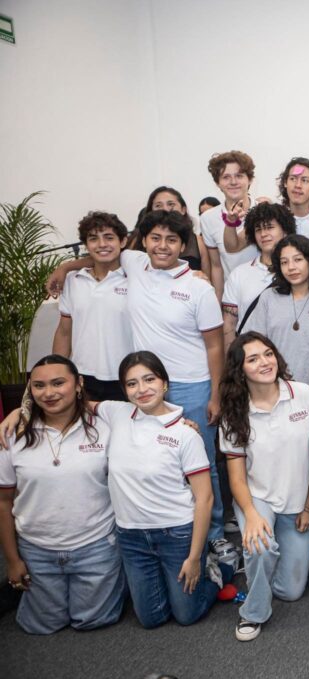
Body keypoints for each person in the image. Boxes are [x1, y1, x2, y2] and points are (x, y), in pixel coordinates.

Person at [47, 210, 231, 554]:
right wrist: (65, 267)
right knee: (154, 460)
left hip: (192, 385)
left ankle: (214, 533)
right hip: (145, 386)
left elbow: (215, 345)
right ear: (143, 241)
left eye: (172, 240)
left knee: (201, 463)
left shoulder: (198, 287)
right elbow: (100, 255)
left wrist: (216, 395)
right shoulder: (134, 263)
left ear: (183, 245)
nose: (163, 246)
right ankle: (166, 530)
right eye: (155, 238)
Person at [97, 352, 232, 628]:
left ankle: (220, 568)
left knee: (186, 615)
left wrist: (193, 558)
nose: (142, 389)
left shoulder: (185, 433)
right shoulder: (116, 413)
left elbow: (205, 499)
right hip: (132, 536)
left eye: (149, 379)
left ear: (165, 383)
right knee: (151, 619)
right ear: (124, 390)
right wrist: (20, 412)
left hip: (177, 534)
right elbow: (69, 403)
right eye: (132, 383)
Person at [0, 356, 124, 635]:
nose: (49, 393)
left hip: (96, 545)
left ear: (78, 384)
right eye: (39, 386)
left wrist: (186, 427)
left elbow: (148, 420)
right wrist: (13, 560)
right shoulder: (12, 434)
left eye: (58, 383)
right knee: (42, 626)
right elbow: (3, 502)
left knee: (93, 621)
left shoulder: (105, 427)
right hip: (37, 549)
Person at [220, 333, 309, 641]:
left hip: (298, 501)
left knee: (290, 592)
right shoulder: (234, 411)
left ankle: (256, 567)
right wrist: (251, 514)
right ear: (240, 370)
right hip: (257, 498)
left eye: (268, 354)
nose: (264, 362)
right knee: (260, 546)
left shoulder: (304, 395)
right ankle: (252, 612)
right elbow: (236, 478)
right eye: (253, 359)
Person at [242, 235, 309, 405]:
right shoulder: (269, 297)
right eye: (284, 262)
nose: (291, 267)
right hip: (274, 391)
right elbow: (252, 343)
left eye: (298, 260)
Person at [53, 211, 132, 401]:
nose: (102, 244)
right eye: (93, 239)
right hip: (83, 375)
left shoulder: (136, 278)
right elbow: (64, 332)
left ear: (122, 241)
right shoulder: (72, 280)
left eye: (109, 237)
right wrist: (57, 371)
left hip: (128, 375)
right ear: (86, 245)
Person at [222, 203, 296, 348]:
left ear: (285, 230)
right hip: (250, 354)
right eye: (258, 229)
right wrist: (231, 358)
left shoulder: (298, 272)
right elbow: (229, 324)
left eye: (269, 227)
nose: (263, 234)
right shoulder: (239, 274)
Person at [198, 150, 260, 299]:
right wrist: (219, 301)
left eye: (239, 176)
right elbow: (216, 266)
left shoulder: (264, 212)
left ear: (250, 179)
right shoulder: (208, 218)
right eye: (226, 177)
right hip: (231, 295)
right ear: (218, 183)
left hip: (263, 292)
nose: (233, 182)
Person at [129, 187, 211, 274]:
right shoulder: (136, 241)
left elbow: (206, 276)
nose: (165, 209)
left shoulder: (198, 242)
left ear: (183, 209)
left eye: (171, 204)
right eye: (158, 205)